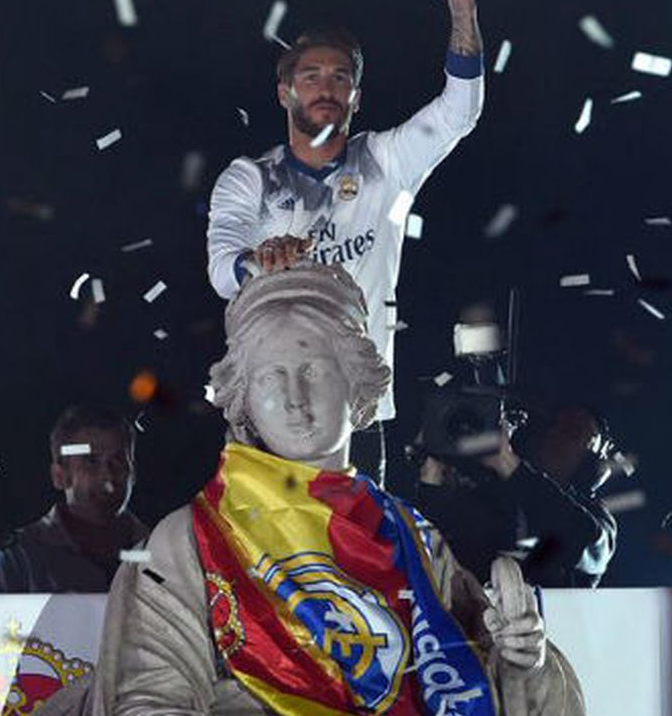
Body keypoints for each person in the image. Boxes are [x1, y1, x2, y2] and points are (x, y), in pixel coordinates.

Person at [40, 265, 583, 715]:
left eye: (316, 371)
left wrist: (520, 666)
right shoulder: (189, 540)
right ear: (243, 401)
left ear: (358, 386)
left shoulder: (413, 540)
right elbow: (150, 701)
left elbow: (494, 691)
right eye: (272, 378)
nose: (296, 398)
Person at [205, 0, 486, 484]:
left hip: (358, 412)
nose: (326, 89)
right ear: (284, 93)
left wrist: (461, 4)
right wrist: (261, 262)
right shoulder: (252, 176)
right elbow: (222, 267)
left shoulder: (384, 162)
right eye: (310, 77)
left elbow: (459, 112)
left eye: (340, 78)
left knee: (359, 558)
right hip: (271, 412)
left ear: (356, 96)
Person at [410, 406, 619, 588]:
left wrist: (511, 467)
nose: (555, 435)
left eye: (571, 431)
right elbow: (434, 553)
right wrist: (433, 481)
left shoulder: (597, 518)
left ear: (594, 459)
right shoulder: (493, 497)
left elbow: (582, 541)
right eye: (552, 426)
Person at [0, 406, 149, 593]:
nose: (107, 474)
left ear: (133, 473)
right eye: (91, 461)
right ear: (60, 476)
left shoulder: (164, 553)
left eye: (118, 461)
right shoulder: (17, 560)